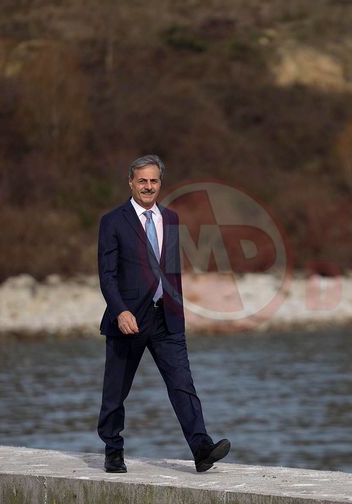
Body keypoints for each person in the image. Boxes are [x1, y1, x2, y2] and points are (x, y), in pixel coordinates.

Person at [96, 154, 230, 473]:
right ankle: (113, 449)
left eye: (154, 180)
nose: (148, 186)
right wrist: (120, 311)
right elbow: (107, 274)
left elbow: (171, 270)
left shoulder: (170, 219)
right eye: (142, 180)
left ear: (161, 183)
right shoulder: (113, 221)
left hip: (167, 317)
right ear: (130, 182)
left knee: (183, 384)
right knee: (116, 390)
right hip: (128, 319)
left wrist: (178, 306)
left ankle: (201, 449)